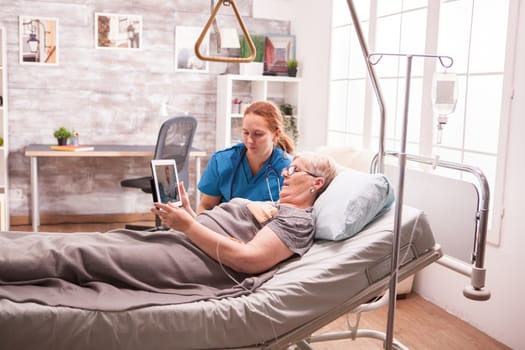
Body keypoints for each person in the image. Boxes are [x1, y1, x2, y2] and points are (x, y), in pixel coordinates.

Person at [0, 152, 337, 310]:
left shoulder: (298, 219)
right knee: (84, 242)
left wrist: (189, 225)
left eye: (296, 169)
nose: (287, 172)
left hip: (193, 259)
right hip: (185, 241)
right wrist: (190, 214)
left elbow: (249, 259)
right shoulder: (279, 207)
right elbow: (231, 231)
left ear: (316, 183)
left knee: (78, 254)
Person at [197, 100, 295, 213]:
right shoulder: (222, 161)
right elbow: (206, 207)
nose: (249, 140)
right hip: (223, 227)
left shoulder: (289, 168)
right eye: (245, 133)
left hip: (266, 229)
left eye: (258, 134)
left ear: (276, 134)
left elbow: (290, 216)